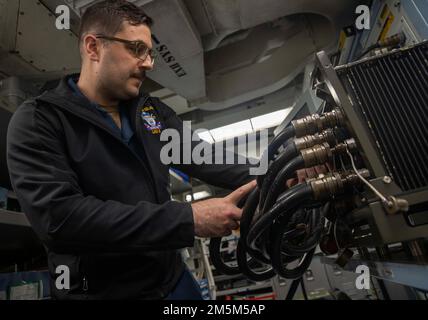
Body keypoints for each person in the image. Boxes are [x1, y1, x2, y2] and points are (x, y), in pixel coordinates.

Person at [6, 0, 256, 300]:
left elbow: (206, 158)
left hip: (172, 281)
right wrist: (187, 219)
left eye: (150, 53)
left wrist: (280, 170)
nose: (149, 62)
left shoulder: (149, 111)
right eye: (137, 49)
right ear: (93, 47)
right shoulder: (40, 120)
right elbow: (61, 220)